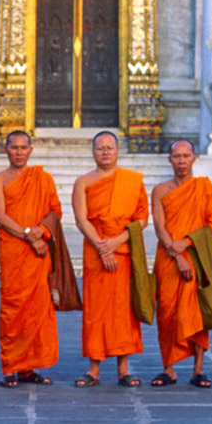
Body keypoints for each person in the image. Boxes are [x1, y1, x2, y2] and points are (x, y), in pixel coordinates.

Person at [71, 130, 148, 387]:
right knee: (95, 309)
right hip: (95, 250)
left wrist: (117, 242)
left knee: (123, 310)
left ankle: (123, 369)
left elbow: (141, 219)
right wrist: (102, 247)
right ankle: (93, 369)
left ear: (118, 151)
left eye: (109, 147)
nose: (105, 152)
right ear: (93, 152)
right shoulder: (83, 182)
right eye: (100, 148)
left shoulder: (132, 181)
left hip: (123, 249)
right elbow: (81, 219)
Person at [0, 130, 63, 387]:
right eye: (14, 147)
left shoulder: (42, 178)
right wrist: (30, 236)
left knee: (37, 308)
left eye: (23, 147)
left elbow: (55, 211)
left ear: (31, 150)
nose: (19, 152)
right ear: (5, 150)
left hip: (39, 252)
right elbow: (1, 216)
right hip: (14, 248)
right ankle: (10, 365)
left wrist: (41, 233)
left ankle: (28, 368)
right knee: (13, 307)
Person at [150, 139, 212, 388]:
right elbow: (160, 228)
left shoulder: (205, 188)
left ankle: (198, 369)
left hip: (198, 256)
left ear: (194, 158)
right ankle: (168, 369)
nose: (181, 161)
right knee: (167, 311)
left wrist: (187, 243)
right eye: (176, 156)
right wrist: (178, 254)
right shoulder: (160, 190)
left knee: (197, 312)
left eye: (186, 155)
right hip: (169, 258)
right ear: (169, 159)